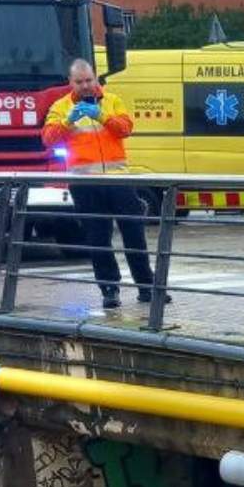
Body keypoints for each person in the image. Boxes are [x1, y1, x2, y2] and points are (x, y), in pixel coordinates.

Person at [41, 57, 165, 312]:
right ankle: (109, 290)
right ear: (70, 82)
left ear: (96, 78)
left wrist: (102, 115)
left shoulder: (112, 100)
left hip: (118, 179)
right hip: (85, 182)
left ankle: (146, 286)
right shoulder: (60, 106)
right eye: (80, 82)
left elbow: (126, 128)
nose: (86, 86)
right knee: (98, 238)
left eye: (89, 80)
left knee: (134, 233)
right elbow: (48, 138)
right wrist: (68, 122)